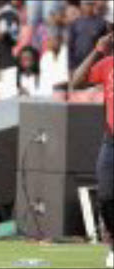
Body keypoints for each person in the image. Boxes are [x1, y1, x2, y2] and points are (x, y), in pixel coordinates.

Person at [71, 31, 113, 269]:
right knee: (106, 196)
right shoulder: (108, 64)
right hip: (111, 141)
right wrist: (97, 50)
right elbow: (76, 82)